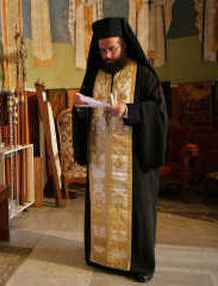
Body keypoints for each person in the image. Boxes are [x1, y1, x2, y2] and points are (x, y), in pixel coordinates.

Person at [72, 17, 168, 283]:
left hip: (134, 161)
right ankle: (100, 256)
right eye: (102, 50)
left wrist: (130, 110)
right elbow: (84, 114)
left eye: (112, 49)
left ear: (124, 45)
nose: (107, 55)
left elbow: (158, 113)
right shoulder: (95, 75)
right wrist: (79, 108)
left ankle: (140, 265)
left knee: (137, 213)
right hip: (102, 159)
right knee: (101, 208)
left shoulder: (144, 75)